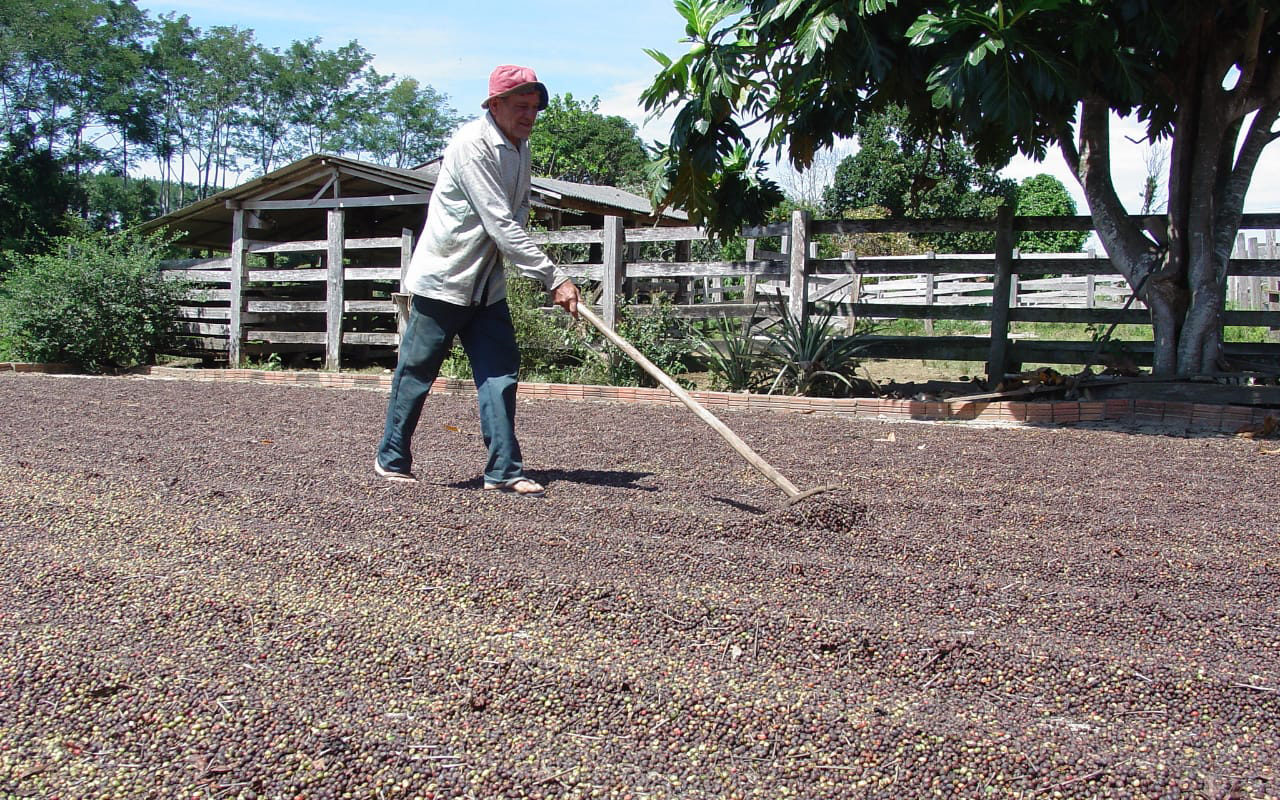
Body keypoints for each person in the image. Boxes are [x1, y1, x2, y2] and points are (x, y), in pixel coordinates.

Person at [375, 64, 580, 496]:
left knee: (500, 374)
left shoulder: (520, 147)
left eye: (534, 108)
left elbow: (517, 216)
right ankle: (392, 457)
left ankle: (503, 470)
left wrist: (533, 272)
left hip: (486, 289)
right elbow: (499, 223)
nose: (530, 116)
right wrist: (552, 277)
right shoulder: (472, 144)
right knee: (417, 373)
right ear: (495, 105)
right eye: (521, 106)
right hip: (443, 280)